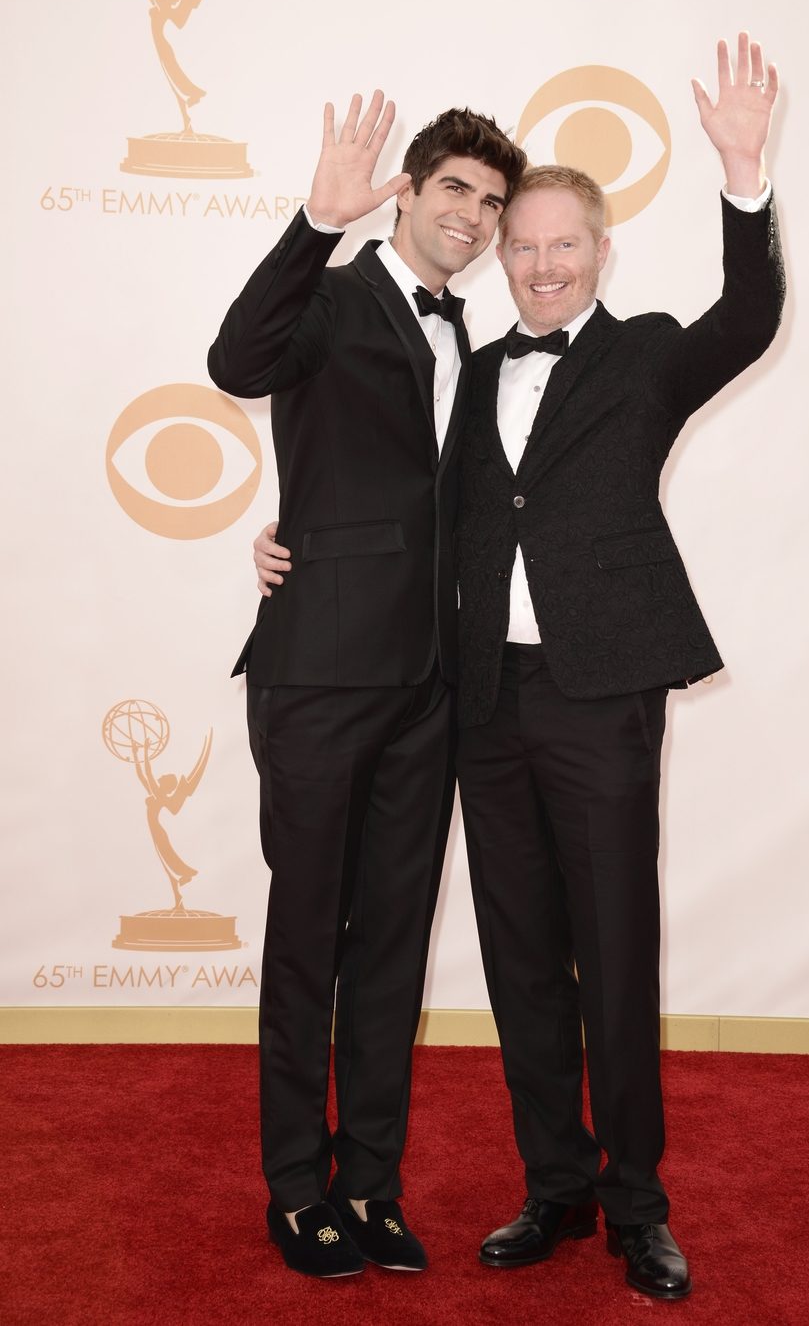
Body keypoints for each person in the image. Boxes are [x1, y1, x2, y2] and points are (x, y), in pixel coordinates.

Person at [253, 33, 785, 1301]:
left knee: (615, 953)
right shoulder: (469, 369)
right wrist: (290, 534)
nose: (541, 264)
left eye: (562, 245)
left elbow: (750, 317)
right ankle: (553, 1185)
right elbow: (394, 494)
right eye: (521, 244)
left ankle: (635, 1206)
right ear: (498, 253)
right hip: (480, 702)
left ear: (599, 253)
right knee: (518, 958)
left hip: (601, 699)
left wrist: (743, 175)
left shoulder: (646, 354)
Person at [208, 93, 526, 1280]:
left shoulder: (475, 344)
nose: (473, 215)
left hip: (429, 687)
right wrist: (313, 223)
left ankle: (369, 1183)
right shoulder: (332, 298)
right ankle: (296, 1187)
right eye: (454, 189)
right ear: (406, 191)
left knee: (392, 942)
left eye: (491, 201)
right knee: (307, 935)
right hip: (320, 673)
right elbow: (235, 361)